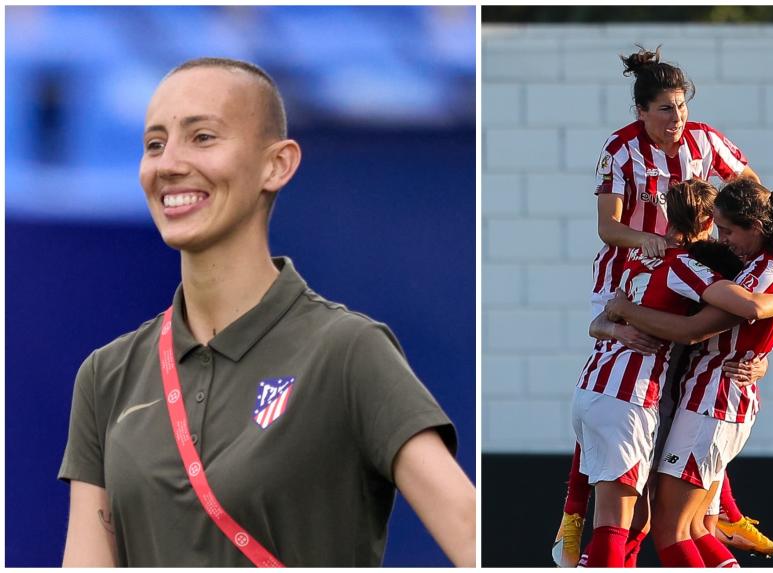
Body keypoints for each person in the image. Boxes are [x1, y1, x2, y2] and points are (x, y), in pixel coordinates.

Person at [58, 58, 476, 567]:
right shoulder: (106, 375)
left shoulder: (347, 350)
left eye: (203, 137)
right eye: (154, 144)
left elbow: (471, 532)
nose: (168, 163)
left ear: (276, 164)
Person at [552, 44, 773, 567]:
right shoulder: (621, 151)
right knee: (661, 421)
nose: (677, 118)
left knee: (648, 484)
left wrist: (758, 350)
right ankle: (579, 515)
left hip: (650, 306)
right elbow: (609, 228)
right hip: (642, 286)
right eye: (665, 108)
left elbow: (758, 199)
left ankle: (715, 507)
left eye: (681, 106)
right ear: (640, 111)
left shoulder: (708, 142)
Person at [571, 179, 773, 567]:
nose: (722, 240)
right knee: (642, 525)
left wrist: (620, 316)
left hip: (602, 387)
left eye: (728, 231)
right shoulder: (686, 266)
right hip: (634, 397)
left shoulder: (638, 258)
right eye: (718, 229)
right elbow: (734, 312)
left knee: (646, 522)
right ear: (705, 220)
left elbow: (600, 321)